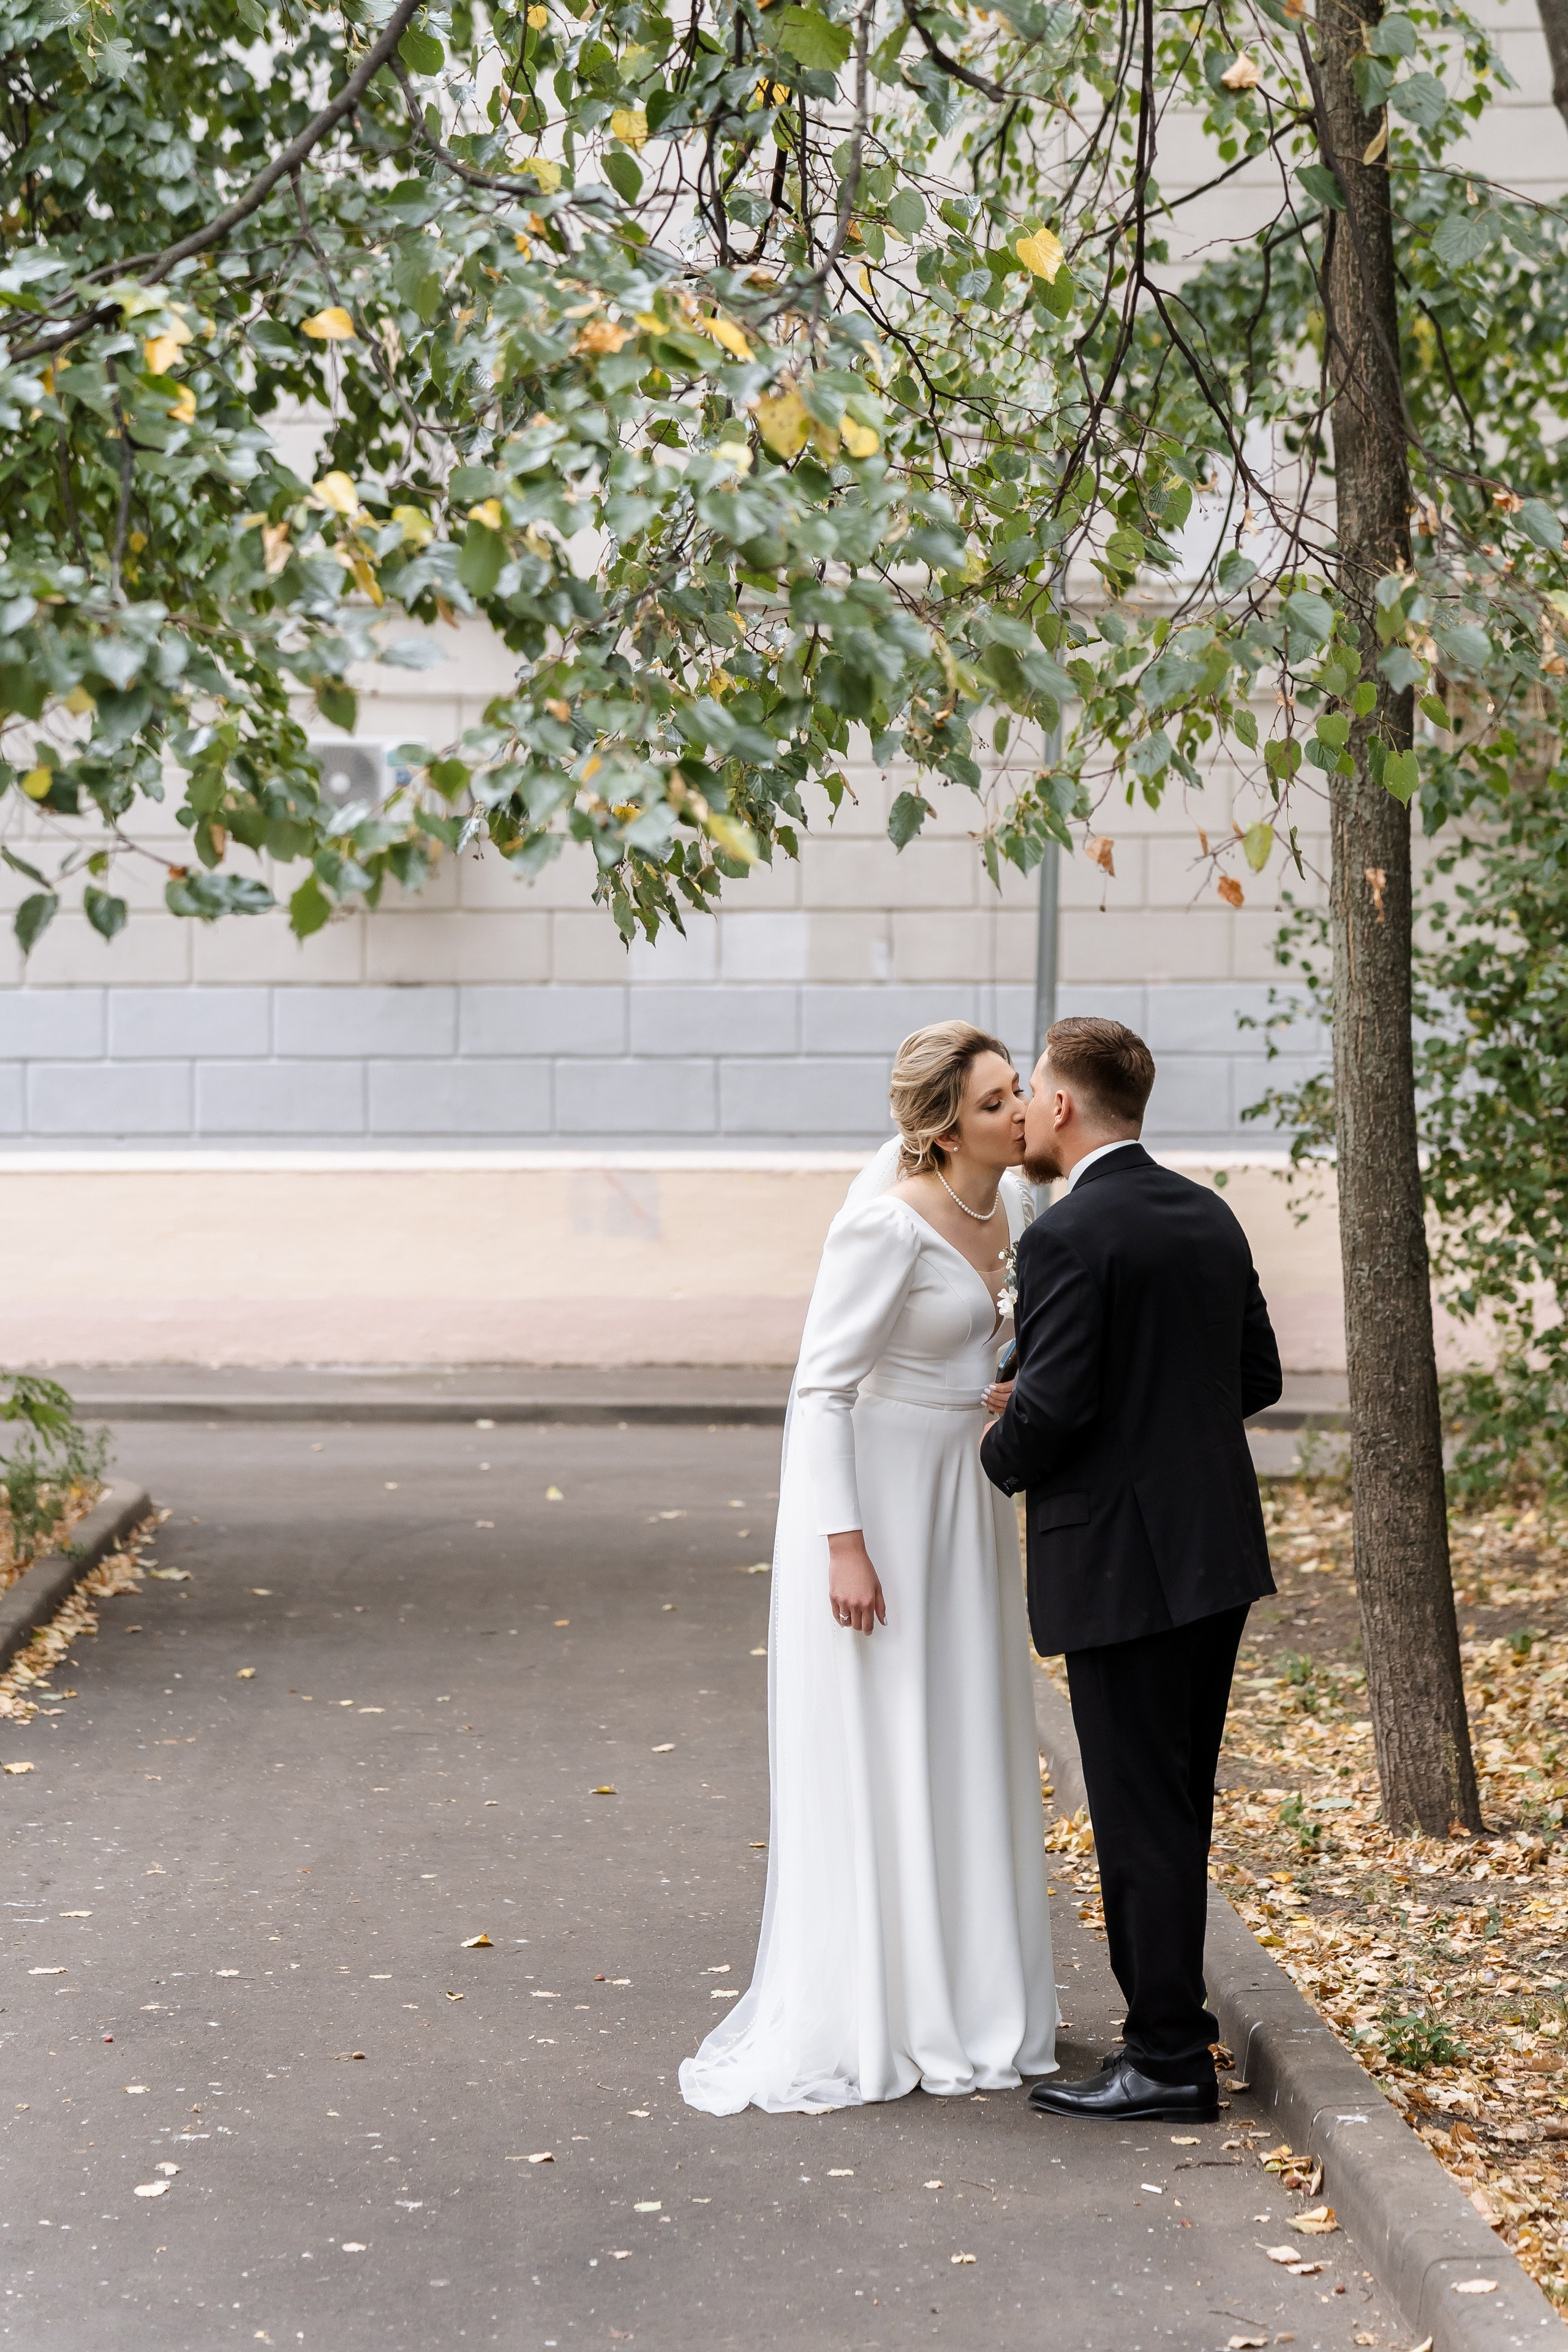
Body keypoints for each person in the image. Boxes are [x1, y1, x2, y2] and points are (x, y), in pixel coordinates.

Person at [680, 1022, 1058, 2115]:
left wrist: (1004, 1380)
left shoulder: (1019, 1208)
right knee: (897, 1735)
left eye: (1018, 1092)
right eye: (996, 1103)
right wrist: (842, 1545)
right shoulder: (885, 1227)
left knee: (972, 1731)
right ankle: (898, 2005)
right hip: (885, 1510)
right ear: (945, 1130)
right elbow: (821, 1391)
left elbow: (996, 1336)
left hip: (971, 1497)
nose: (1020, 1110)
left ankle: (984, 1996)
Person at [980, 1016, 1282, 2123]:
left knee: (1138, 1815)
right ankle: (1171, 2039)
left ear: (1063, 1104)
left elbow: (1053, 1406)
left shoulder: (1069, 1234)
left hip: (1119, 1565)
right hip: (1212, 1558)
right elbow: (1256, 1374)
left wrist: (989, 1453)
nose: (1026, 1112)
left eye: (1035, 1091)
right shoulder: (1207, 1215)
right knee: (1175, 1807)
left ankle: (1163, 2060)